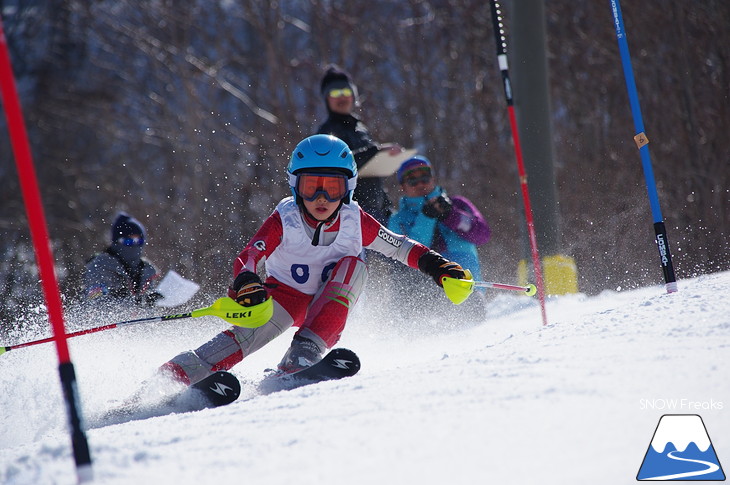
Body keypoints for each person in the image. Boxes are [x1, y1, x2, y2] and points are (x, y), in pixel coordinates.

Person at [156, 135, 466, 387]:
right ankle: (171, 379)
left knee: (355, 264)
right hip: (283, 298)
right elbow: (251, 255)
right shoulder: (286, 217)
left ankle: (301, 355)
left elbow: (400, 247)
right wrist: (247, 281)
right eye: (311, 188)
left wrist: (438, 267)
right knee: (239, 341)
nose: (321, 199)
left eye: (332, 189)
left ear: (348, 190)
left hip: (328, 304)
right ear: (295, 187)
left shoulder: (354, 220)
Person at [387, 156, 491, 321]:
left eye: (424, 177)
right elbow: (406, 254)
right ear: (402, 187)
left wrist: (452, 216)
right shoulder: (398, 220)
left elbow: (482, 234)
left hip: (465, 287)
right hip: (424, 295)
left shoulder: (457, 204)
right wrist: (426, 218)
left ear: (433, 178)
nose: (420, 184)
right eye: (412, 180)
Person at [316, 64, 402, 225]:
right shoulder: (326, 133)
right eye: (335, 92)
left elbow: (372, 174)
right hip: (347, 214)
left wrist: (387, 208)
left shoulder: (360, 128)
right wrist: (376, 152)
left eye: (346, 91)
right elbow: (334, 166)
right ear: (327, 98)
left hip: (376, 213)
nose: (342, 97)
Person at [84, 212, 162, 307]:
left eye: (139, 241)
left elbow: (149, 313)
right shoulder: (99, 267)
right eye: (128, 241)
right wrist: (136, 302)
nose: (134, 245)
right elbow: (96, 304)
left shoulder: (147, 271)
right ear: (116, 242)